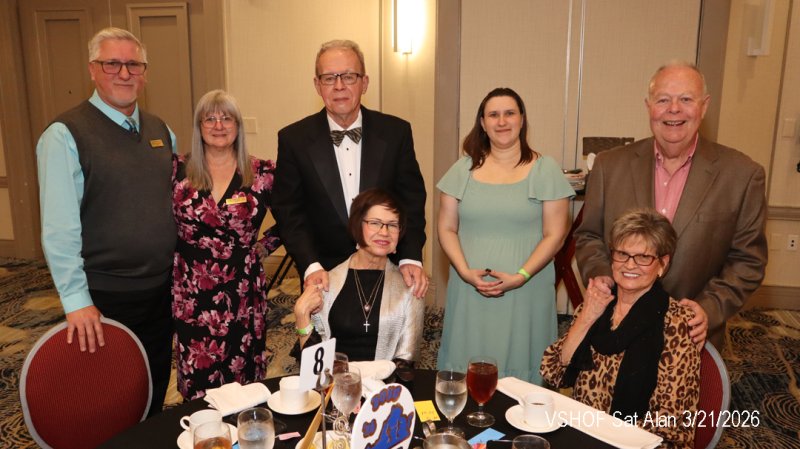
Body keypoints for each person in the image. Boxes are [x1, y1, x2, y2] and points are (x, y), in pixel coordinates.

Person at [575, 62, 768, 349]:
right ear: (649, 107)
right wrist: (602, 274)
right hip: (617, 328)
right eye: (663, 100)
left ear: (704, 106)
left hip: (690, 336)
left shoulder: (742, 175)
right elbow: (588, 235)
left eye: (686, 99)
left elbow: (748, 261)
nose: (674, 109)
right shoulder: (609, 166)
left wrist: (710, 308)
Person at [36, 27, 176, 415]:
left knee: (153, 388)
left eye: (134, 64)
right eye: (112, 63)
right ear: (92, 69)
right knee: (109, 401)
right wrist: (76, 301)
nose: (124, 73)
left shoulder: (161, 130)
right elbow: (59, 229)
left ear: (145, 73)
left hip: (160, 292)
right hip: (103, 299)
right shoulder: (65, 135)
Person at [436, 88, 574, 384]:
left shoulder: (545, 169)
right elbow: (446, 228)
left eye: (509, 113)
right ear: (482, 123)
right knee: (467, 371)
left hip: (526, 290)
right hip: (469, 289)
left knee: (521, 373)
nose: (502, 121)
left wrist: (521, 276)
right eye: (493, 115)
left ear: (522, 119)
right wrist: (464, 271)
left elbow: (556, 234)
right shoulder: (462, 170)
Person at [273, 39, 428, 300]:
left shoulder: (396, 133)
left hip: (387, 269)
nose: (339, 86)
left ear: (364, 82)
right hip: (323, 276)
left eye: (348, 76)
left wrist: (410, 256)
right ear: (317, 85)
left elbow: (411, 201)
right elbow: (289, 211)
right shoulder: (293, 139)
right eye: (329, 78)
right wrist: (310, 264)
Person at [541, 209, 700, 449]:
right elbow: (553, 372)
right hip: (581, 432)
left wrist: (610, 439)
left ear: (662, 264)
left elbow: (671, 421)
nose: (630, 264)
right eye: (622, 254)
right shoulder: (597, 303)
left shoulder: (677, 323)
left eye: (643, 257)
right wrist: (587, 317)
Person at [171, 90, 280, 400]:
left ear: (238, 125)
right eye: (210, 118)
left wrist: (263, 247)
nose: (218, 126)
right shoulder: (176, 170)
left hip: (242, 292)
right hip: (192, 292)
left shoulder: (262, 173)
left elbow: (294, 219)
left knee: (242, 378)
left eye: (227, 118)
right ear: (199, 126)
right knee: (198, 379)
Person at [292, 188, 424, 367]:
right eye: (375, 223)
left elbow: (406, 364)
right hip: (334, 380)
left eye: (392, 225)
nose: (384, 232)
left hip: (386, 383)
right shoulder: (327, 283)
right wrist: (302, 316)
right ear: (357, 226)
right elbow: (313, 367)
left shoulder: (410, 287)